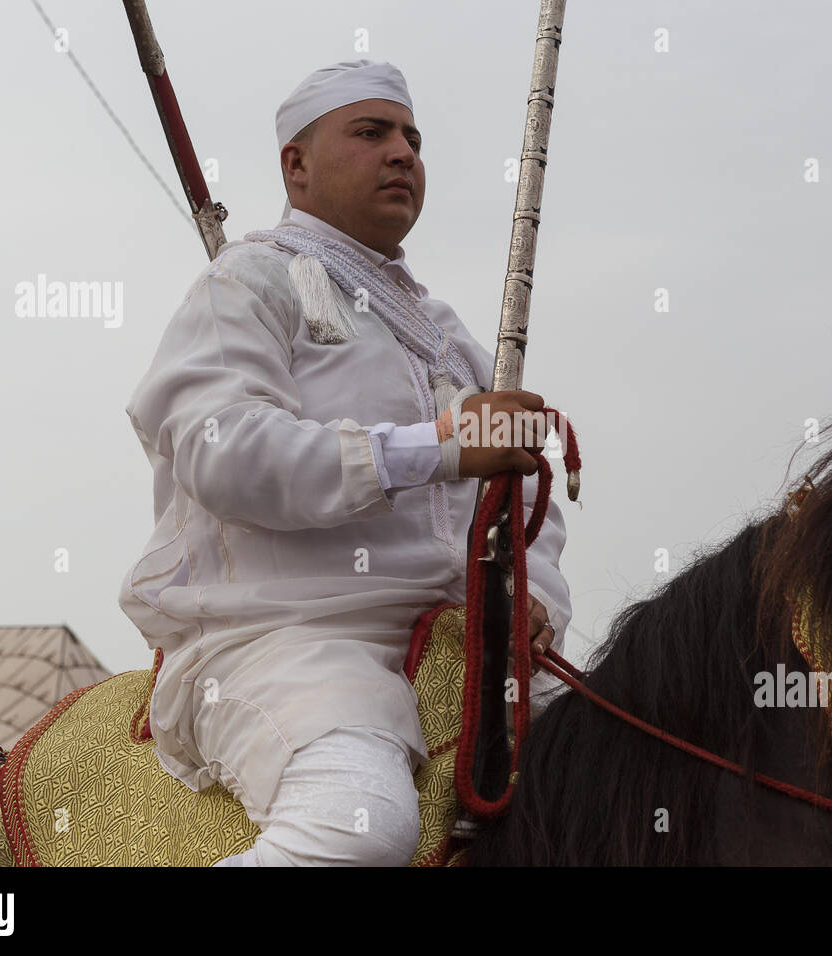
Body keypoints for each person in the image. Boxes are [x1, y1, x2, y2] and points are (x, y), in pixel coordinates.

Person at [117, 59, 571, 866]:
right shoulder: (247, 282)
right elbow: (225, 454)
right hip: (290, 638)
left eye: (412, 138)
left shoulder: (449, 334)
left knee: (655, 780)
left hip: (464, 645)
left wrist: (533, 598)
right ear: (296, 166)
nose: (402, 153)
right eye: (371, 133)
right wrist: (435, 447)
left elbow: (525, 507)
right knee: (357, 830)